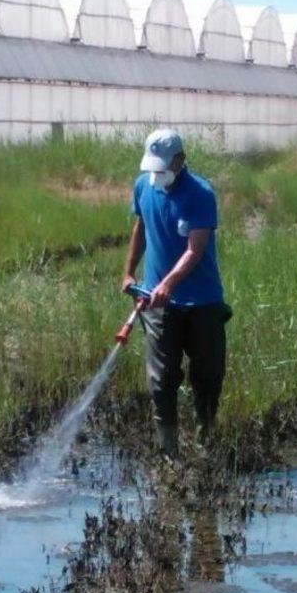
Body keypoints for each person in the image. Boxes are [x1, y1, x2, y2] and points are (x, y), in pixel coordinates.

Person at [122, 129, 231, 459]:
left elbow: (195, 249)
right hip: (158, 306)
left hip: (202, 303)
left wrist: (168, 284)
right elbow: (140, 228)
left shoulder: (200, 193)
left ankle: (205, 445)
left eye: (163, 167)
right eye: (152, 167)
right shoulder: (143, 186)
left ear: (180, 161)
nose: (156, 175)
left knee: (207, 377)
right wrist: (128, 272)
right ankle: (169, 454)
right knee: (161, 380)